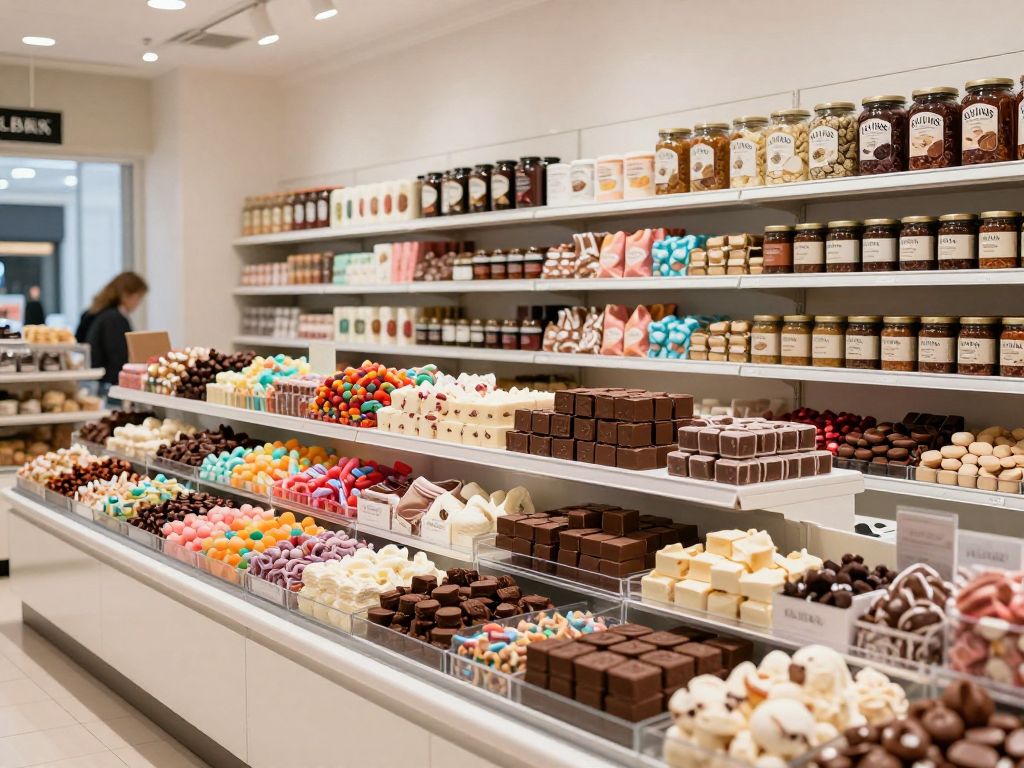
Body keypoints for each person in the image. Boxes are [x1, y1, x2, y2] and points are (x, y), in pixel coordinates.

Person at [76, 272, 148, 388]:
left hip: (92, 382)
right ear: (127, 295)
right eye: (139, 297)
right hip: (108, 384)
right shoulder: (114, 319)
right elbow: (119, 359)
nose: (138, 303)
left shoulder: (93, 314)